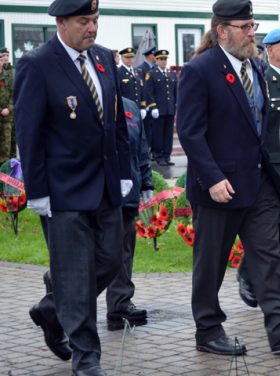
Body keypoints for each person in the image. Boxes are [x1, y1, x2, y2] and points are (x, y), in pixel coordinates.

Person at [176, 0, 280, 355]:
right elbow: (190, 132)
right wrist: (211, 178)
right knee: (211, 263)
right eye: (245, 27)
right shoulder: (201, 69)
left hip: (257, 183)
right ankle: (208, 331)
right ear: (221, 30)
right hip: (218, 187)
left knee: (269, 257)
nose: (251, 33)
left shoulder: (254, 66)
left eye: (253, 25)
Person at [15, 0, 132, 374]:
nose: (92, 28)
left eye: (95, 20)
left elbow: (115, 123)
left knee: (112, 259)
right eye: (84, 21)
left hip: (106, 186)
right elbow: (29, 134)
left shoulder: (103, 59)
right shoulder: (38, 64)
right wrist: (36, 191)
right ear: (61, 22)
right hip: (63, 190)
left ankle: (52, 310)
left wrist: (125, 170)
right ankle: (86, 359)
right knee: (76, 276)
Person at [236, 27, 280, 310]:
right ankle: (248, 274)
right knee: (274, 228)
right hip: (271, 169)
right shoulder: (262, 79)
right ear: (270, 50)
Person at [105, 97, 153, 331]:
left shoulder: (131, 107)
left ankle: (119, 304)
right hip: (97, 192)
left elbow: (141, 149)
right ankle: (57, 284)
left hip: (128, 191)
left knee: (124, 249)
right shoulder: (89, 100)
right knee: (94, 251)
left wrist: (146, 182)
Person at [144, 49, 176, 166]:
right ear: (156, 60)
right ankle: (158, 155)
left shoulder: (171, 73)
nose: (163, 61)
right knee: (158, 134)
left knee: (168, 134)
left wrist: (175, 107)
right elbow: (148, 92)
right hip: (158, 110)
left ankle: (167, 155)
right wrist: (153, 107)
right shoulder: (151, 74)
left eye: (165, 59)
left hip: (169, 109)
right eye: (161, 59)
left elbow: (174, 92)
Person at [117, 47, 146, 113]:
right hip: (126, 108)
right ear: (122, 58)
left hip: (137, 107)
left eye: (132, 57)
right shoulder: (118, 72)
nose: (130, 59)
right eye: (127, 57)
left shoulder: (138, 71)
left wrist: (143, 107)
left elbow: (141, 90)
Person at [0, 47, 13, 165]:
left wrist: (9, 108)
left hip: (9, 116)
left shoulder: (11, 72)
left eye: (6, 55)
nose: (4, 58)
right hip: (2, 115)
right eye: (2, 56)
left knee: (9, 149)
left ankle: (7, 179)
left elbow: (13, 92)